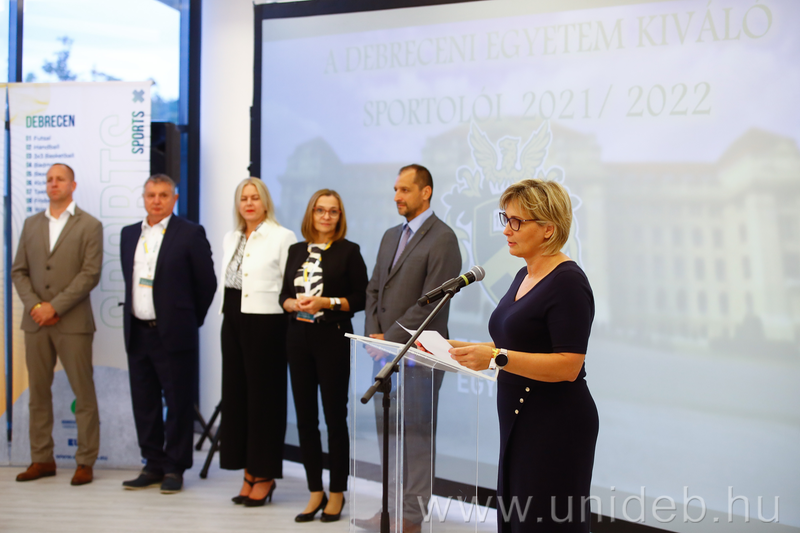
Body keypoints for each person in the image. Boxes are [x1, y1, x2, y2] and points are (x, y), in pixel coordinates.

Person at [448, 179, 598, 533]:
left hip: (556, 423)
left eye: (517, 221)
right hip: (520, 420)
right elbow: (514, 343)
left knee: (544, 524)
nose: (506, 230)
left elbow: (569, 364)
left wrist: (496, 357)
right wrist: (454, 347)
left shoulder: (568, 281)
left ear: (548, 229)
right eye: (506, 219)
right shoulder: (523, 274)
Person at [357, 164, 461, 533]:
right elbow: (374, 289)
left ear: (425, 192)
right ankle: (389, 511)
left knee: (416, 439)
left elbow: (431, 305)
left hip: (419, 356)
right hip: (383, 355)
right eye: (395, 190)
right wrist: (373, 336)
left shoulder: (444, 238)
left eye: (404, 190)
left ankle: (412, 517)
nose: (397, 196)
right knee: (388, 436)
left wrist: (389, 340)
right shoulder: (390, 236)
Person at [119, 174, 217, 494]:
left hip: (174, 333)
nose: (157, 200)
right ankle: (152, 463)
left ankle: (175, 467)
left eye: (164, 195)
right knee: (144, 402)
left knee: (178, 403)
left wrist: (189, 319)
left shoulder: (189, 233)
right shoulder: (129, 234)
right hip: (138, 331)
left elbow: (207, 284)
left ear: (174, 199)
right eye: (151, 195)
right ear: (144, 198)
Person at [11, 163, 102, 486]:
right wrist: (37, 307)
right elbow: (19, 271)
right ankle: (42, 459)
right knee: (38, 394)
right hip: (36, 322)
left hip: (73, 323)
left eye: (60, 179)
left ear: (72, 185)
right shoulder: (31, 224)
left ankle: (85, 461)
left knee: (83, 394)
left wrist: (55, 306)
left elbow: (90, 274)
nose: (53, 183)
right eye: (49, 179)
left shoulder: (90, 225)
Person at [280, 190, 368, 523]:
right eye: (320, 210)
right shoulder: (295, 250)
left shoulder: (349, 251)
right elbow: (283, 295)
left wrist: (325, 302)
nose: (326, 216)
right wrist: (291, 303)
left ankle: (337, 492)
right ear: (311, 214)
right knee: (305, 418)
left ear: (339, 216)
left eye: (333, 211)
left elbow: (360, 298)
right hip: (297, 337)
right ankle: (315, 490)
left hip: (332, 337)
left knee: (334, 418)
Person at [217, 177, 296, 506]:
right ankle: (247, 471)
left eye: (255, 198)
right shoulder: (231, 237)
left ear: (265, 202)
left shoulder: (282, 236)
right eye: (243, 198)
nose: (249, 203)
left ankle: (264, 475)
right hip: (232, 319)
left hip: (267, 323)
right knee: (236, 398)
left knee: (265, 402)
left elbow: (289, 286)